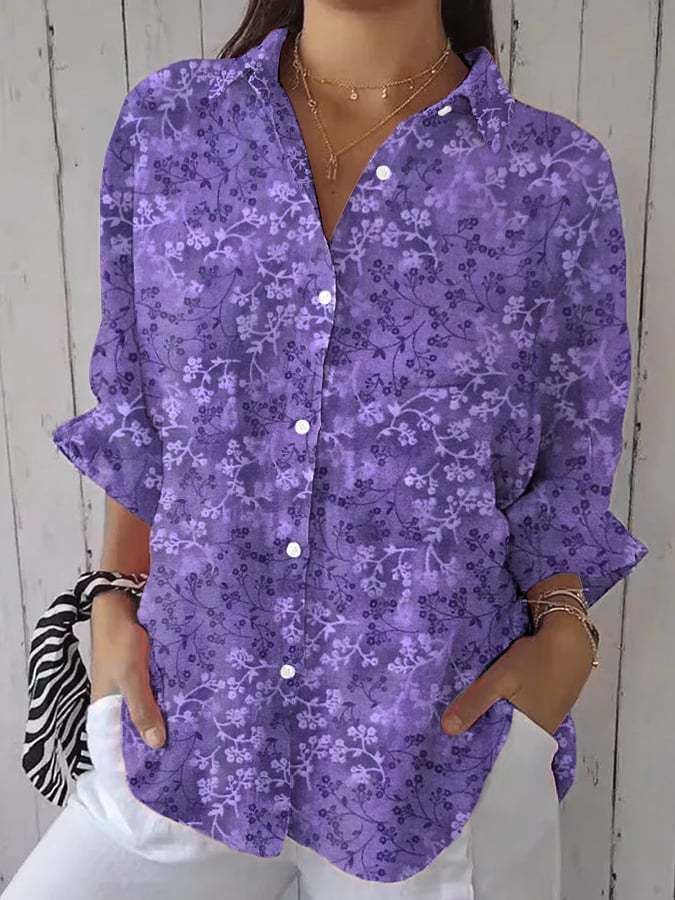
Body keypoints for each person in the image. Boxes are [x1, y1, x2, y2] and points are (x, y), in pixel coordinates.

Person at [4, 0, 648, 898]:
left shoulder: (549, 174)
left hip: (434, 763)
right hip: (188, 726)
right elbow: (141, 406)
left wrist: (563, 637)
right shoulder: (173, 126)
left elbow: (572, 454)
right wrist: (114, 596)